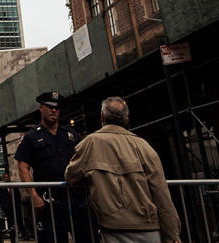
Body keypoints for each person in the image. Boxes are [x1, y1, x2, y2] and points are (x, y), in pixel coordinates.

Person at [64, 97, 181, 243]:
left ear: (102, 116)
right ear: (126, 119)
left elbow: (71, 177)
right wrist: (172, 235)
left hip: (113, 228)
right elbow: (161, 194)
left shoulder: (90, 144)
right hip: (148, 228)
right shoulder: (144, 147)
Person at [14, 91, 93, 242]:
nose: (54, 110)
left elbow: (84, 164)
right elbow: (23, 167)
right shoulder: (31, 137)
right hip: (49, 201)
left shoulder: (71, 135)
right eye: (49, 107)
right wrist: (34, 196)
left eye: (57, 108)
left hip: (76, 199)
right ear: (41, 108)